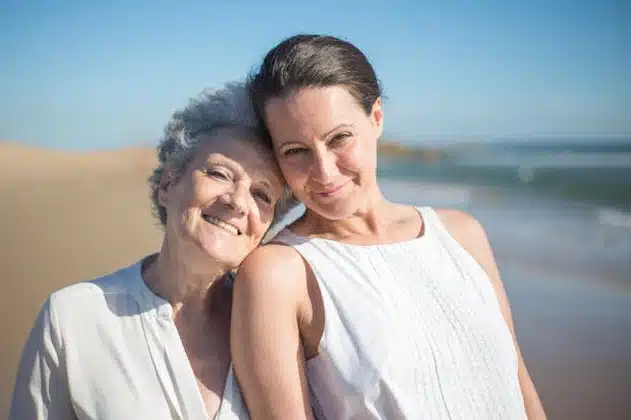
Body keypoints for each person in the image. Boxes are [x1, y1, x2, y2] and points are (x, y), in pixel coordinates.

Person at [231, 34, 547, 419]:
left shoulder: (462, 234)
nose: (325, 172)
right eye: (295, 151)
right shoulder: (278, 273)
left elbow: (520, 385)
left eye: (340, 138)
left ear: (376, 118)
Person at [10, 82, 294, 420]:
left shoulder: (279, 325)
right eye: (220, 173)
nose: (237, 202)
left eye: (262, 194)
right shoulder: (74, 317)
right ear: (167, 184)